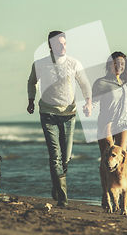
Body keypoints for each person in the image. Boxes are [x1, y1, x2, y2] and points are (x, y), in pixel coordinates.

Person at [27, 31, 92, 206]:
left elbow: (84, 83)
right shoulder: (40, 64)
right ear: (50, 45)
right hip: (48, 113)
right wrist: (31, 100)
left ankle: (57, 185)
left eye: (64, 44)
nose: (62, 47)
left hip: (69, 115)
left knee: (66, 157)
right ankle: (63, 198)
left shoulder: (73, 63)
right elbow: (31, 81)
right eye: (58, 44)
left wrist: (88, 102)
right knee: (55, 155)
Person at [93, 51, 127, 156]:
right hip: (106, 123)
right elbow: (93, 100)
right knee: (106, 156)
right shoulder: (101, 82)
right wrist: (88, 107)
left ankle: (123, 173)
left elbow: (124, 100)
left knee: (121, 154)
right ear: (109, 65)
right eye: (116, 63)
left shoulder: (126, 83)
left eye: (122, 64)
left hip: (124, 121)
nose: (119, 66)